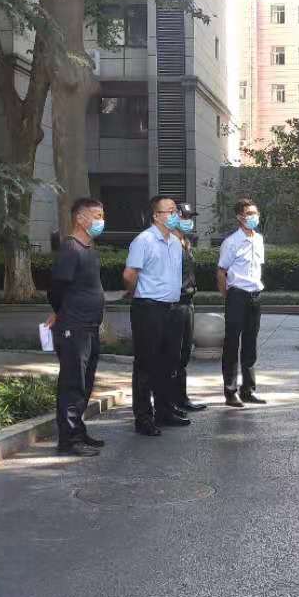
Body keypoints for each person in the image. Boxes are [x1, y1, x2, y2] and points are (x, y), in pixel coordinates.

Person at [124, 195, 189, 435]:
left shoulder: (175, 242)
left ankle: (164, 410)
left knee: (168, 362)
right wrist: (138, 295)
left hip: (172, 308)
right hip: (148, 308)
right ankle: (143, 417)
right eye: (169, 211)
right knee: (146, 364)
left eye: (175, 211)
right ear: (156, 216)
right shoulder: (144, 240)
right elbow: (129, 275)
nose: (174, 215)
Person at [49, 197, 110, 455]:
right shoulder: (70, 249)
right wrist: (61, 314)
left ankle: (79, 431)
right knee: (72, 384)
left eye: (102, 215)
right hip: (73, 326)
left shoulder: (89, 249)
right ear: (80, 218)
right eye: (96, 216)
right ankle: (68, 440)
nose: (101, 221)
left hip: (89, 326)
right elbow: (56, 288)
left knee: (85, 382)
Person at [217, 198, 266, 408]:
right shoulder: (231, 242)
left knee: (250, 344)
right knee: (232, 344)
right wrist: (228, 297)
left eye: (255, 213)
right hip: (237, 295)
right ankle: (230, 392)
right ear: (239, 217)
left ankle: (248, 390)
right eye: (249, 214)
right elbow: (221, 271)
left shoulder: (259, 239)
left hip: (255, 295)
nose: (253, 217)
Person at [172, 203, 207, 412]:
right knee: (173, 355)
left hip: (188, 301)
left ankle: (181, 398)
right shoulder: (169, 243)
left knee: (184, 353)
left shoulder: (185, 242)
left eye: (189, 217)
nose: (188, 221)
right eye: (184, 217)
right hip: (175, 303)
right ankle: (170, 402)